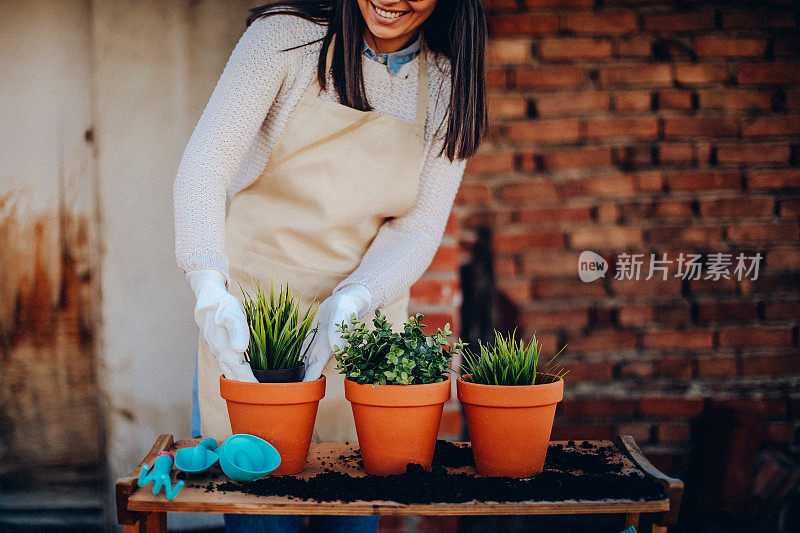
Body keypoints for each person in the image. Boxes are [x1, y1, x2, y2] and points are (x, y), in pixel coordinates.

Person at [173, 1, 486, 531]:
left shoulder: (448, 85)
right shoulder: (284, 42)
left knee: (351, 508)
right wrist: (208, 283)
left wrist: (354, 299)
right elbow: (204, 167)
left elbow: (415, 228)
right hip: (253, 328)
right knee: (260, 511)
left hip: (358, 333)